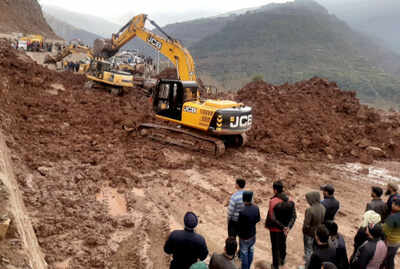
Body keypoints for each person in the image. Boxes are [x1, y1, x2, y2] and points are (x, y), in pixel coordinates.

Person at [266, 180, 297, 269]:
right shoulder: (291, 200)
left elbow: (272, 217)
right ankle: (282, 260)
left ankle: (275, 265)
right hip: (285, 229)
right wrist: (288, 227)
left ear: (275, 190)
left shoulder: (273, 201)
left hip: (275, 229)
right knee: (283, 243)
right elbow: (294, 216)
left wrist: (282, 227)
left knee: (275, 247)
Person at [303, 191, 326, 267]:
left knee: (308, 251)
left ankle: (307, 266)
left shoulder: (310, 210)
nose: (308, 201)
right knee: (314, 250)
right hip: (317, 234)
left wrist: (304, 231)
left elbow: (306, 225)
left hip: (309, 233)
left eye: (308, 199)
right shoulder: (323, 208)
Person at [238, 191, 260, 269]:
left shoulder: (242, 211)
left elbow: (239, 224)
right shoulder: (256, 208)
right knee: (250, 250)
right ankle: (249, 266)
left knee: (244, 253)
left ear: (244, 199)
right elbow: (258, 219)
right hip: (252, 234)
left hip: (244, 236)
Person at [382, 198, 400, 269]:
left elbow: (385, 233)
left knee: (384, 259)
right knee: (390, 258)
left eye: (393, 204)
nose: (392, 205)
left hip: (389, 242)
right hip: (397, 242)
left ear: (398, 207)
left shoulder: (393, 217)